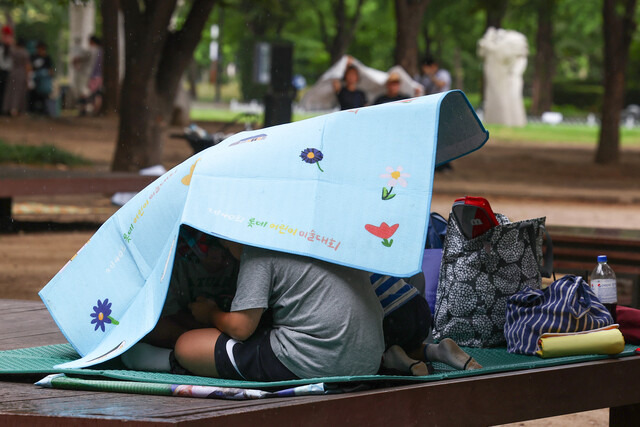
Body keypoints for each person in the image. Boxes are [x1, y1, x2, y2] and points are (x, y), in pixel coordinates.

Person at [124, 242, 385, 381]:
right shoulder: (316, 236)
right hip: (369, 358)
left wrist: (210, 313)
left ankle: (172, 362)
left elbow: (241, 327)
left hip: (317, 361)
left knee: (188, 344)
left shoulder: (258, 249)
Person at [371, 273, 482, 376]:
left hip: (394, 317)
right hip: (418, 305)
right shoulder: (377, 260)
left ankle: (392, 357)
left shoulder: (355, 268)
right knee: (409, 347)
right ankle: (438, 351)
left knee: (371, 353)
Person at [2, 38, 30, 116]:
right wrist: (28, 78)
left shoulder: (13, 51)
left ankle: (8, 108)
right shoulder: (24, 53)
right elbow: (27, 66)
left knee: (11, 91)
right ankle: (15, 109)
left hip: (12, 73)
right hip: (21, 73)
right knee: (19, 92)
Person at [30, 41, 54, 115]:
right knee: (34, 95)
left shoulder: (47, 58)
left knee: (44, 96)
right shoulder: (34, 57)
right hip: (35, 79)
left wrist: (46, 74)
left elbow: (51, 70)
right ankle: (34, 110)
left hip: (44, 80)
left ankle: (44, 111)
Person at [0, 25, 14, 113]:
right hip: (2, 70)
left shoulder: (10, 48)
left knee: (5, 91)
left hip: (7, 71)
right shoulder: (3, 47)